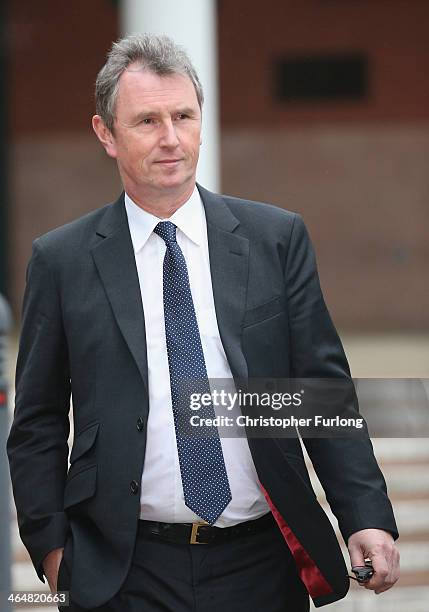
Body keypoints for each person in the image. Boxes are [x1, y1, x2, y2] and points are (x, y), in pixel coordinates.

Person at [7, 34, 400, 611]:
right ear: (105, 134)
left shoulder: (274, 239)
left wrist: (364, 515)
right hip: (125, 568)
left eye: (183, 116)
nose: (170, 138)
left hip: (263, 562)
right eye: (147, 120)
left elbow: (321, 395)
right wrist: (51, 548)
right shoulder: (62, 261)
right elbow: (37, 419)